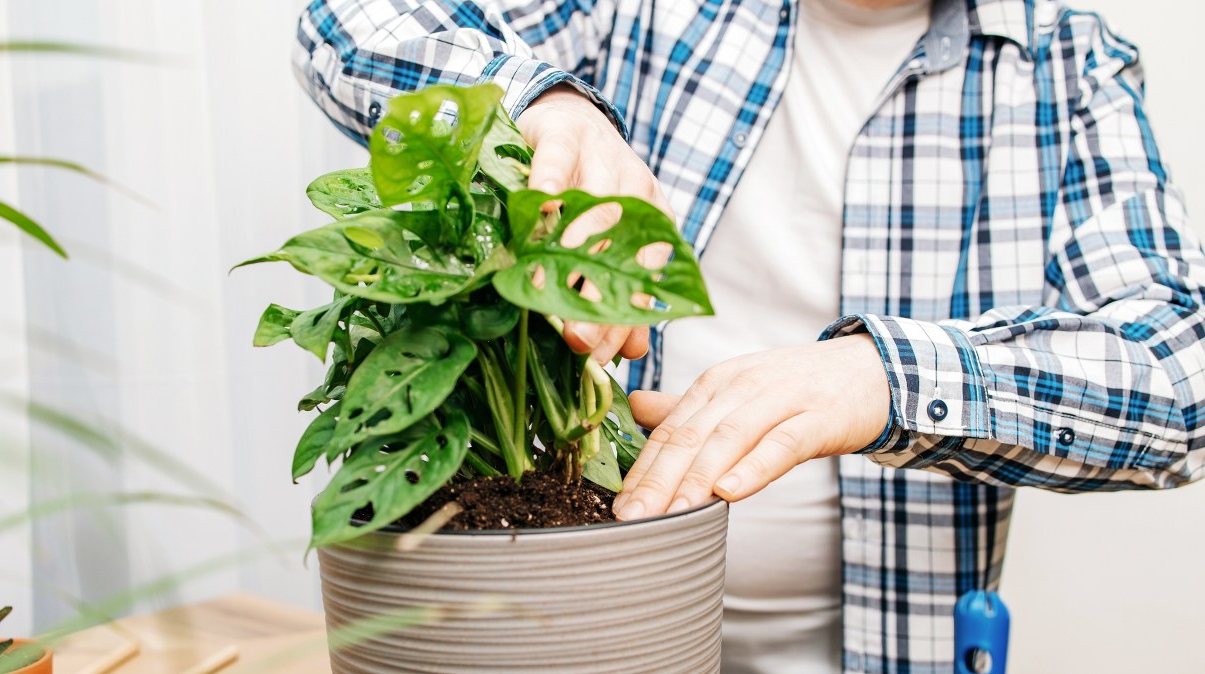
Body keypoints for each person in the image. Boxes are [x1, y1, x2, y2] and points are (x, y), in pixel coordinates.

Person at [293, 0, 1205, 671]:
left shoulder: (1064, 62)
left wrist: (878, 380)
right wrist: (539, 103)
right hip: (583, 635)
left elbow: (1183, 366)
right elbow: (352, 19)